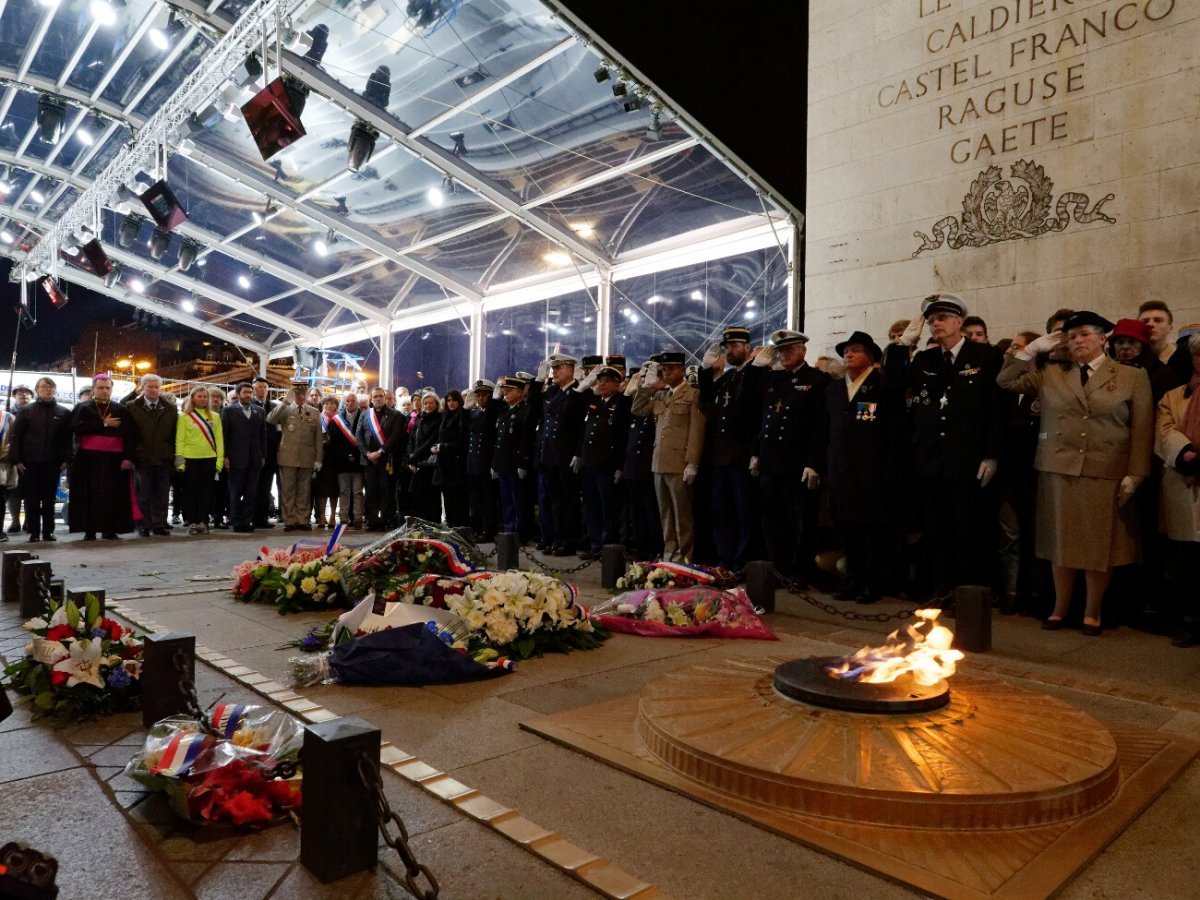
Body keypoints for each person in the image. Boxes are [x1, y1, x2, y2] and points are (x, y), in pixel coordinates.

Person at [998, 311, 1153, 635]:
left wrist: (1136, 473)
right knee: (1061, 545)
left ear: (1102, 338)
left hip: (1105, 470)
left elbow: (1142, 427)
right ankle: (1060, 607)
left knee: (1099, 548)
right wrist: (1030, 350)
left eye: (1084, 334)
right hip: (1059, 469)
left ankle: (1092, 611)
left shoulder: (1130, 376)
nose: (1077, 340)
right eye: (1071, 336)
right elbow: (1006, 381)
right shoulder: (1053, 373)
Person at [884, 293, 1005, 599]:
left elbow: (995, 409)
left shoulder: (984, 356)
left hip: (966, 459)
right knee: (936, 532)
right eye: (931, 319)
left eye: (941, 318)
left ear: (959, 322)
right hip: (930, 461)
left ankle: (968, 594)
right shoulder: (925, 359)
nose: (935, 324)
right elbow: (893, 384)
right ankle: (941, 589)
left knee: (968, 531)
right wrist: (901, 347)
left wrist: (992, 454)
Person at [824, 331, 898, 601]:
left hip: (870, 471)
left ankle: (873, 583)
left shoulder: (880, 386)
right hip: (840, 471)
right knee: (847, 530)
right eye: (846, 351)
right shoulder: (833, 389)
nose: (848, 354)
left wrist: (888, 470)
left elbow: (891, 432)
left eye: (855, 350)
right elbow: (826, 430)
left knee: (871, 533)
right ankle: (853, 579)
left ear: (870, 357)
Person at [753, 330, 830, 582]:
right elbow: (761, 418)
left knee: (800, 520)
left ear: (803, 351)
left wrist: (814, 463)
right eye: (781, 351)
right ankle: (779, 567)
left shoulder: (817, 380)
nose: (784, 355)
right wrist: (757, 452)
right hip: (771, 461)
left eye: (790, 350)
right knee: (772, 520)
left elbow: (821, 426)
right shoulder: (774, 379)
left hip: (797, 464)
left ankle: (799, 571)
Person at [699, 327, 768, 570]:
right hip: (722, 455)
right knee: (721, 510)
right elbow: (707, 401)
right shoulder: (728, 378)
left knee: (743, 510)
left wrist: (756, 451)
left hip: (742, 453)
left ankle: (742, 559)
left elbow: (758, 413)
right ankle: (726, 557)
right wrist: (706, 372)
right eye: (726, 347)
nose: (729, 350)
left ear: (747, 348)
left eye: (734, 346)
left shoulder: (757, 373)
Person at [631, 351, 706, 561]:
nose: (667, 372)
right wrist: (646, 386)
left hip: (679, 463)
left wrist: (692, 463)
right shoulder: (660, 395)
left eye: (671, 369)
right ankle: (669, 554)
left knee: (682, 516)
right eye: (664, 369)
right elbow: (637, 410)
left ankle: (684, 557)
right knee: (665, 514)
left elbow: (696, 431)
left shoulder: (692, 394)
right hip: (659, 463)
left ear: (682, 370)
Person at [1156, 334, 1200, 647]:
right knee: (1186, 561)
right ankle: (1191, 621)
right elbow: (1164, 429)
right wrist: (1187, 455)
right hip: (1183, 483)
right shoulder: (1174, 395)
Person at [68, 374, 135, 541]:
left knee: (113, 495)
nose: (104, 391)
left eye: (107, 388)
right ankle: (89, 530)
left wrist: (128, 458)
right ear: (93, 389)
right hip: (88, 460)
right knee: (88, 494)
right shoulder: (83, 407)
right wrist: (103, 424)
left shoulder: (121, 409)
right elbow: (76, 428)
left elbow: (130, 436)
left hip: (114, 460)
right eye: (101, 388)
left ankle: (110, 530)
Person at [576, 366, 631, 559]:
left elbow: (623, 437)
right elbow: (584, 429)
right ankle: (595, 544)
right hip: (590, 463)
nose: (602, 384)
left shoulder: (622, 403)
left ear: (617, 384)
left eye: (607, 381)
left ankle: (609, 547)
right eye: (600, 381)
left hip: (607, 464)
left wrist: (619, 466)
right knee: (591, 507)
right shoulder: (594, 403)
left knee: (609, 508)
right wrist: (579, 455)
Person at [533, 354, 585, 556]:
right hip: (550, 455)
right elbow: (534, 407)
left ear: (570, 369)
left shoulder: (578, 392)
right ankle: (556, 537)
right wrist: (538, 381)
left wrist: (578, 452)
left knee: (569, 500)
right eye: (553, 369)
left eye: (558, 368)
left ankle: (569, 540)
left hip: (566, 455)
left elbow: (581, 426)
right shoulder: (552, 392)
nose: (553, 372)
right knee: (555, 501)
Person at [9, 379, 70, 542]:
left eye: (51, 387)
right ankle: (34, 532)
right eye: (44, 387)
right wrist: (17, 460)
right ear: (37, 390)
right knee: (32, 498)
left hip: (53, 462)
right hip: (30, 462)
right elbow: (15, 437)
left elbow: (68, 438)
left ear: (55, 390)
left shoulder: (64, 412)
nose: (48, 390)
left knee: (49, 499)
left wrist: (67, 459)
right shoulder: (26, 411)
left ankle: (48, 531)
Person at [125, 373, 178, 537]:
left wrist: (172, 453)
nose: (154, 390)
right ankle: (143, 525)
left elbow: (174, 433)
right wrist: (130, 455)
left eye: (157, 387)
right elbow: (128, 435)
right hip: (142, 457)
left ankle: (159, 524)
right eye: (150, 387)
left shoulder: (170, 407)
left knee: (162, 493)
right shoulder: (131, 406)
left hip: (163, 457)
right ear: (143, 387)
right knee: (143, 494)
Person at [268, 381, 324, 532]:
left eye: (302, 393)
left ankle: (303, 520)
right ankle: (289, 520)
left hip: (307, 456)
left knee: (304, 491)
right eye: (297, 393)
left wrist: (319, 458)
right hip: (288, 457)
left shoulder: (314, 412)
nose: (300, 396)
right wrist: (285, 401)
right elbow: (270, 419)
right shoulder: (285, 409)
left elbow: (318, 437)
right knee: (288, 490)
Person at [492, 375, 538, 542]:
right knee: (506, 501)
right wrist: (495, 464)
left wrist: (523, 462)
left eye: (509, 391)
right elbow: (499, 440)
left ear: (520, 392)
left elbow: (526, 439)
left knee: (520, 501)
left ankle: (520, 533)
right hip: (504, 463)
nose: (505, 393)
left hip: (516, 463)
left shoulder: (525, 410)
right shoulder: (505, 411)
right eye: (504, 390)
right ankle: (509, 530)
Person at [175, 385, 225, 536]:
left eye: (205, 397)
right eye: (199, 397)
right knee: (190, 492)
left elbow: (219, 441)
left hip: (209, 459)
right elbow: (180, 440)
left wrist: (219, 461)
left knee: (206, 493)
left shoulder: (215, 417)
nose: (203, 399)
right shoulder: (184, 417)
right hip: (190, 459)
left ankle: (203, 521)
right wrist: (180, 461)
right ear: (193, 398)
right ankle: (192, 522)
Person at [221, 382, 267, 533]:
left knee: (251, 493)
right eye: (245, 392)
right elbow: (224, 436)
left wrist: (262, 455)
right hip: (235, 459)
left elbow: (263, 435)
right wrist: (225, 456)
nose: (248, 395)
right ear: (238, 393)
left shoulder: (259, 411)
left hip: (254, 459)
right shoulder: (228, 411)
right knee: (235, 492)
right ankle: (236, 521)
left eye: (250, 392)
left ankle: (247, 521)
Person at [356, 387, 399, 530]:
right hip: (368, 460)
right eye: (375, 397)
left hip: (386, 460)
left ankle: (386, 520)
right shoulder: (365, 414)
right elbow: (359, 436)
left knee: (386, 490)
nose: (378, 399)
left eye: (381, 396)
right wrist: (367, 453)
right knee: (370, 491)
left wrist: (380, 451)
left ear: (385, 397)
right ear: (371, 398)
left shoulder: (394, 414)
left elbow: (394, 437)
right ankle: (371, 520)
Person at [465, 379, 501, 541]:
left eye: (484, 395)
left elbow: (488, 424)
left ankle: (488, 530)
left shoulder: (493, 412)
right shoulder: (474, 413)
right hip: (473, 462)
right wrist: (465, 410)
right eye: (478, 395)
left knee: (488, 500)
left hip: (486, 463)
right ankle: (476, 528)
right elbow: (464, 429)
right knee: (475, 500)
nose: (480, 399)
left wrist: (494, 400)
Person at [405, 391, 443, 523]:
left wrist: (415, 456)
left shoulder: (439, 419)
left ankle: (433, 523)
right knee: (418, 495)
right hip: (417, 462)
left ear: (436, 404)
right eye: (425, 403)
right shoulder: (419, 419)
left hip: (429, 463)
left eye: (431, 403)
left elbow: (431, 440)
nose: (428, 405)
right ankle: (421, 523)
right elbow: (411, 439)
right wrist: (411, 455)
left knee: (431, 497)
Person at [434, 390, 469, 528]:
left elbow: (462, 441)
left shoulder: (462, 416)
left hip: (457, 463)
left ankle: (459, 526)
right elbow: (440, 437)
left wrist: (443, 447)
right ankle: (449, 524)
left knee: (457, 498)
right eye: (448, 400)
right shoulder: (445, 416)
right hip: (444, 464)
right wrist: (436, 446)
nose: (451, 403)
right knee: (447, 497)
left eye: (454, 400)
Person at [328, 391, 364, 527]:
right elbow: (334, 443)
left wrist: (356, 455)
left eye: (353, 401)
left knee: (358, 492)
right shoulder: (337, 420)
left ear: (357, 402)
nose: (350, 403)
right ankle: (343, 518)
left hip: (359, 462)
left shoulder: (363, 417)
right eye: (347, 401)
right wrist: (346, 455)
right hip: (342, 463)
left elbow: (365, 439)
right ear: (344, 402)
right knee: (343, 491)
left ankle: (358, 518)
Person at [251, 377, 281, 529]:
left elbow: (279, 431)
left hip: (270, 453)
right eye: (259, 387)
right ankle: (252, 517)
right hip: (254, 453)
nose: (262, 390)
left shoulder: (274, 406)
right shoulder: (249, 405)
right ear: (253, 389)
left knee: (266, 486)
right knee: (252, 486)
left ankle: (262, 518)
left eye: (264, 387)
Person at [5, 384, 33, 534]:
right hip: (11, 458)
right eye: (20, 393)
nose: (24, 395)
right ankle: (15, 521)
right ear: (14, 396)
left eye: (27, 393)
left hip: (32, 458)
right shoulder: (7, 414)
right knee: (13, 492)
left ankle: (29, 520)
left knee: (31, 492)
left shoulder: (35, 412)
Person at [312, 397, 341, 528]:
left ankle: (332, 516)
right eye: (327, 403)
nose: (329, 405)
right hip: (321, 459)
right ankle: (322, 516)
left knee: (334, 490)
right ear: (322, 405)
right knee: (321, 490)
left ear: (336, 405)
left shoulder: (340, 419)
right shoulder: (318, 418)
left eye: (332, 403)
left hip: (335, 459)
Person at [208, 389, 230, 529]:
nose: (216, 399)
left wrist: (227, 456)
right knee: (206, 490)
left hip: (222, 457)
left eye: (218, 397)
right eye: (213, 396)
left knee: (222, 489)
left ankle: (218, 518)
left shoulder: (227, 413)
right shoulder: (201, 414)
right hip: (204, 456)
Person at [1138, 300, 1174, 364]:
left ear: (1170, 328)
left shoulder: (1183, 359)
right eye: (1145, 321)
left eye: (1158, 320)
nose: (1150, 324)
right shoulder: (1129, 359)